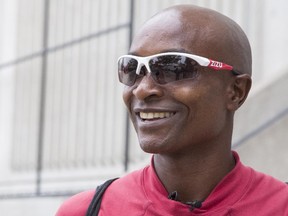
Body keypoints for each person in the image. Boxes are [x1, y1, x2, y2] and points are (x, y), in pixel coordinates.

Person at [56, 4, 288, 216]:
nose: (142, 89)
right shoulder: (87, 211)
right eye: (132, 69)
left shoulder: (279, 206)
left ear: (236, 91)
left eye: (173, 67)